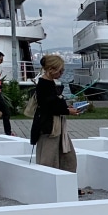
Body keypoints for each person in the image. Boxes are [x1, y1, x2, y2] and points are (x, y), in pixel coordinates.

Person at [30, 53, 82, 182]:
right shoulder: (44, 84)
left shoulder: (48, 83)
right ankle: (52, 184)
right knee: (49, 159)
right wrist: (67, 110)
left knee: (66, 157)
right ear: (51, 69)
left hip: (54, 125)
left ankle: (65, 183)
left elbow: (51, 104)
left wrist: (66, 109)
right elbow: (48, 106)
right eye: (60, 70)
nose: (62, 73)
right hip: (49, 127)